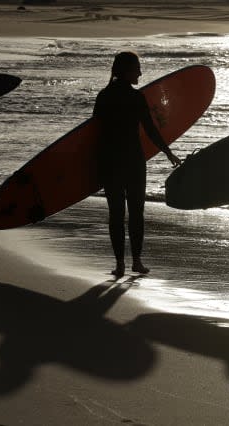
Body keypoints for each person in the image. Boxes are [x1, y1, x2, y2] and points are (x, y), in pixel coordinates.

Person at [93, 51, 181, 278]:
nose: (140, 72)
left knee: (116, 213)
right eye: (137, 68)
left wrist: (94, 165)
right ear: (127, 70)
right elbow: (150, 130)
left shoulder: (104, 96)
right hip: (132, 160)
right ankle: (137, 262)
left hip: (111, 160)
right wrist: (167, 151)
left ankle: (120, 263)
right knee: (136, 213)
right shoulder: (136, 97)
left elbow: (94, 134)